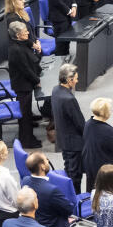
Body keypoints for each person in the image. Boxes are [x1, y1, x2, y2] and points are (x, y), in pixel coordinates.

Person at [21, 151, 74, 227]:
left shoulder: (25, 181)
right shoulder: (51, 190)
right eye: (46, 160)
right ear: (42, 166)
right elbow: (68, 209)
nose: (48, 161)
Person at [8, 22, 43, 148]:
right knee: (25, 115)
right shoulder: (16, 50)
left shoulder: (23, 44)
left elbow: (33, 60)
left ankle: (29, 137)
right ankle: (26, 141)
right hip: (22, 85)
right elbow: (26, 69)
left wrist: (38, 50)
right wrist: (36, 80)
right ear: (18, 35)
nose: (28, 33)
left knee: (27, 113)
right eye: (25, 31)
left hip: (26, 83)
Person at [51, 64, 86, 192]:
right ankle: (75, 200)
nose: (77, 81)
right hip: (74, 144)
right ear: (69, 80)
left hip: (63, 140)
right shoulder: (69, 99)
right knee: (75, 176)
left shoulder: (55, 90)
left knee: (68, 169)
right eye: (75, 78)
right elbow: (80, 123)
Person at [81, 98, 113, 193]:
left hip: (91, 168)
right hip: (106, 173)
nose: (111, 111)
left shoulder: (88, 124)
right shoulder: (108, 131)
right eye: (110, 110)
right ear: (105, 113)